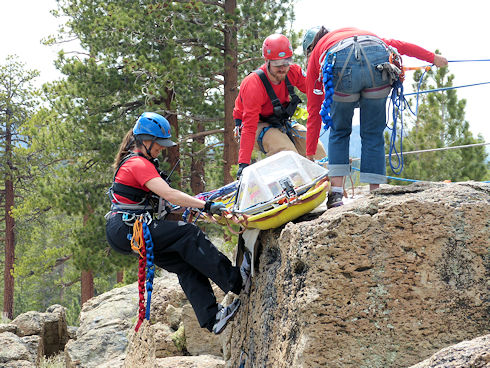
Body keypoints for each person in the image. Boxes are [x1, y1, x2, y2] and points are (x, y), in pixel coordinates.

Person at [105, 112, 251, 334]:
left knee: (184, 263)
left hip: (124, 230)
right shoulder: (137, 164)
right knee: (189, 234)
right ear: (145, 140)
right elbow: (171, 195)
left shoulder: (140, 162)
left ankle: (212, 317)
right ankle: (235, 280)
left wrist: (198, 208)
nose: (161, 149)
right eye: (158, 145)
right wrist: (206, 206)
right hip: (128, 228)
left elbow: (167, 203)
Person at [302, 26, 448, 208]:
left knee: (340, 130)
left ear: (310, 48)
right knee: (373, 133)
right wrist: (433, 58)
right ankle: (375, 193)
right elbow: (401, 46)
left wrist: (309, 153)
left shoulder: (318, 52)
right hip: (376, 57)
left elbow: (314, 110)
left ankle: (337, 194)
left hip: (340, 63)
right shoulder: (354, 33)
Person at [233, 33, 326, 178]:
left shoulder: (293, 71)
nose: (282, 68)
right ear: (267, 60)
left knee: (315, 148)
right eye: (277, 64)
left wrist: (336, 101)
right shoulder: (253, 84)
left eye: (286, 62)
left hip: (280, 122)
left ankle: (330, 189)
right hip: (256, 124)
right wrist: (243, 164)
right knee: (287, 152)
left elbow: (314, 90)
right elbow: (249, 127)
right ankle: (294, 187)